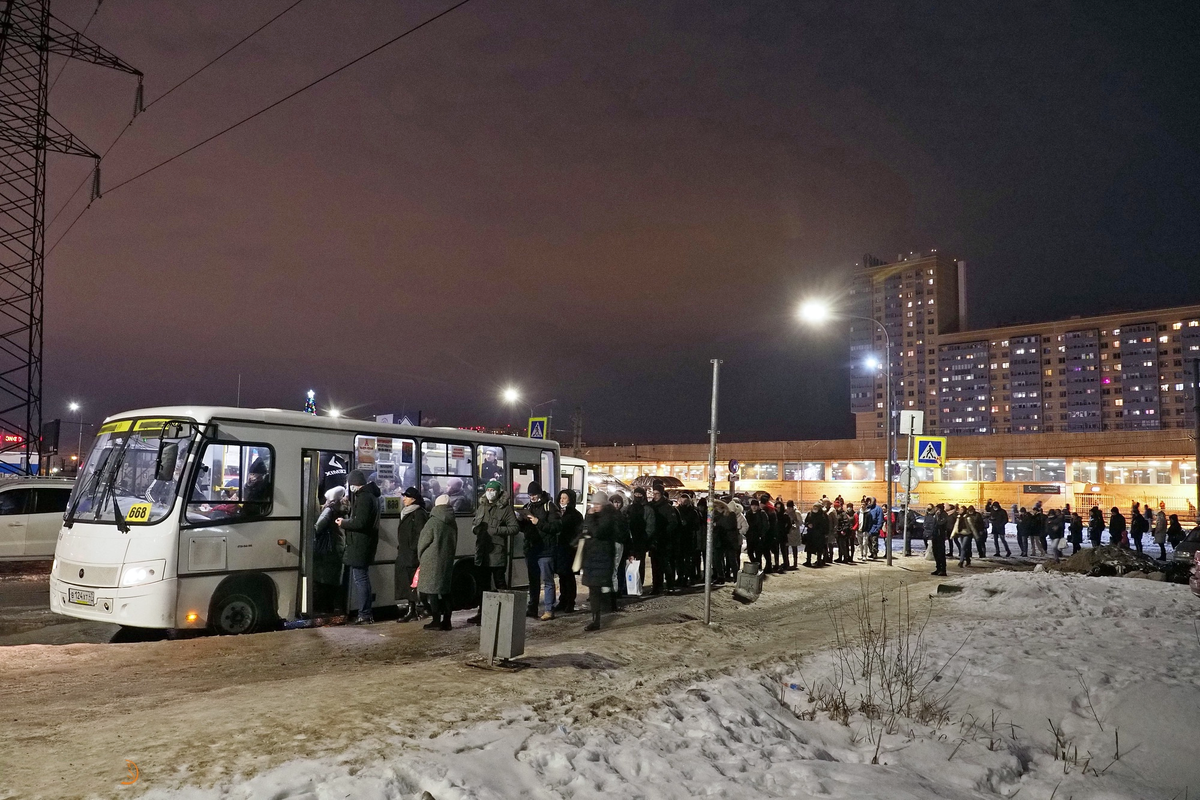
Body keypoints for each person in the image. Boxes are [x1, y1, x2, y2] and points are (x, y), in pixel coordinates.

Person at [469, 479, 519, 623]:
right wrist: (475, 529)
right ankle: (482, 614)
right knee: (482, 585)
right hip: (482, 551)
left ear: (498, 492)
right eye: (488, 490)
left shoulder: (506, 509)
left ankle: (505, 613)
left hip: (497, 552)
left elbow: (514, 528)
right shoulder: (482, 506)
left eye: (493, 490)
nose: (490, 493)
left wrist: (497, 530)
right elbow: (475, 522)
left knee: (499, 583)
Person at [339, 470, 381, 624]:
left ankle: (364, 614)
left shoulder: (364, 498)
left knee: (361, 579)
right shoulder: (372, 496)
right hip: (364, 544)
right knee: (362, 578)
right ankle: (366, 613)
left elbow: (361, 522)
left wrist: (343, 523)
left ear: (354, 483)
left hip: (360, 545)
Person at [520, 480, 561, 620]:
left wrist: (539, 522)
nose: (532, 497)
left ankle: (549, 609)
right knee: (533, 581)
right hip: (531, 549)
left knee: (547, 580)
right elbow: (524, 529)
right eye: (530, 495)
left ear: (540, 493)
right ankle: (532, 608)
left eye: (534, 494)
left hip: (546, 549)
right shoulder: (528, 506)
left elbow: (556, 527)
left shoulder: (550, 506)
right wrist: (521, 522)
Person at [416, 494, 457, 631]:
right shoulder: (452, 521)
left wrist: (420, 556)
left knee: (431, 591)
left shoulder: (433, 521)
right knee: (445, 591)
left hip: (431, 560)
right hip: (446, 559)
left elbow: (423, 542)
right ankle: (447, 621)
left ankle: (436, 620)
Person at [580, 490, 618, 632]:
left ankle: (601, 615)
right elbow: (585, 530)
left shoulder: (608, 516)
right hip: (592, 557)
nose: (594, 507)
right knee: (594, 589)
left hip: (602, 557)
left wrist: (590, 518)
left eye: (597, 504)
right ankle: (596, 619)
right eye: (593, 504)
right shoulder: (594, 516)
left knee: (600, 587)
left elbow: (598, 532)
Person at [394, 486, 428, 622]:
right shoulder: (407, 512)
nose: (404, 499)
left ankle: (414, 610)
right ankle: (414, 609)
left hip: (411, 554)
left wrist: (413, 549)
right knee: (406, 582)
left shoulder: (419, 513)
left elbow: (420, 534)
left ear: (413, 499)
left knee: (412, 582)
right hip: (404, 552)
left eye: (406, 497)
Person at [312, 485, 346, 615]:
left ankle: (324, 608)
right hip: (338, 546)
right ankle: (332, 606)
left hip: (328, 548)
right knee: (333, 579)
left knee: (323, 579)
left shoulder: (329, 510)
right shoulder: (342, 508)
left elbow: (318, 527)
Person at [648, 485, 680, 594]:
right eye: (654, 493)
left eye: (657, 494)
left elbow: (673, 523)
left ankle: (670, 585)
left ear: (661, 494)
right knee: (655, 565)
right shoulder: (651, 506)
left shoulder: (667, 507)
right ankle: (657, 586)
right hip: (654, 540)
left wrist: (664, 533)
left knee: (665, 564)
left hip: (665, 540)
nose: (655, 496)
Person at [557, 488, 583, 612]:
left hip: (570, 549)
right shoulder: (557, 512)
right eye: (561, 498)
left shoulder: (575, 515)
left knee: (569, 576)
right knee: (562, 576)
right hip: (560, 548)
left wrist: (573, 544)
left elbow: (579, 532)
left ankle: (570, 602)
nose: (562, 500)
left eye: (564, 498)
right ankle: (562, 600)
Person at [624, 487, 655, 591]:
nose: (637, 496)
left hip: (641, 540)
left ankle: (639, 585)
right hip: (629, 540)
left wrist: (645, 537)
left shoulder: (648, 509)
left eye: (640, 495)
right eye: (636, 494)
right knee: (629, 562)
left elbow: (650, 526)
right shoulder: (628, 508)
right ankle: (629, 585)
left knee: (640, 564)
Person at [676, 492, 702, 586]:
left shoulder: (693, 512)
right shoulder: (677, 510)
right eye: (682, 501)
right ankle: (680, 577)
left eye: (685, 501)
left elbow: (697, 525)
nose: (683, 503)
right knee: (679, 560)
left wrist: (688, 524)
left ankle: (688, 577)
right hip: (679, 539)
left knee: (689, 560)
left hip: (689, 539)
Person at [803, 501, 829, 567]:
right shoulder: (810, 514)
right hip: (811, 534)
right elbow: (806, 522)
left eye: (816, 507)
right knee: (809, 548)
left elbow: (826, 525)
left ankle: (819, 561)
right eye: (814, 507)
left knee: (819, 549)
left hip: (819, 535)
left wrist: (826, 533)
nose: (815, 508)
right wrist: (808, 525)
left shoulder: (823, 515)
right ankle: (808, 561)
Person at [927, 503, 946, 576]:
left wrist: (938, 516)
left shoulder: (943, 515)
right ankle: (938, 568)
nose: (935, 509)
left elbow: (940, 524)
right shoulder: (935, 515)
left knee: (941, 553)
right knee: (936, 553)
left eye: (936, 508)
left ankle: (943, 570)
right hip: (935, 536)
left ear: (939, 509)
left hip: (940, 537)